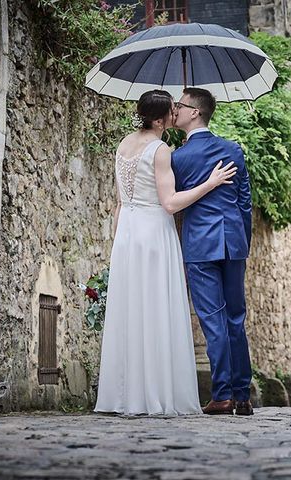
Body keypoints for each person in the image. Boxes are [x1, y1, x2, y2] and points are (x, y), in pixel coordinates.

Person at [94, 90, 237, 416]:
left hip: (128, 233)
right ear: (159, 119)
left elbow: (119, 203)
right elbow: (170, 203)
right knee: (155, 310)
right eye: (173, 110)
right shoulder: (160, 150)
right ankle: (156, 394)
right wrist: (210, 183)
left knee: (132, 313)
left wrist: (117, 244)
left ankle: (126, 395)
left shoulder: (124, 144)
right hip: (154, 233)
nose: (177, 113)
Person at [172, 87, 254, 416]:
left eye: (180, 105)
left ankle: (222, 396)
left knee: (213, 320)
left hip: (200, 245)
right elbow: (245, 201)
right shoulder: (233, 150)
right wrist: (241, 239)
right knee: (236, 318)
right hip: (233, 242)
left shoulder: (178, 157)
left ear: (195, 112)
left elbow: (176, 203)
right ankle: (243, 395)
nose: (175, 109)